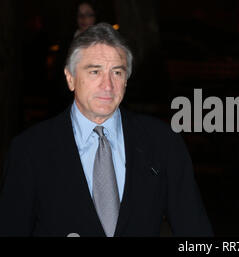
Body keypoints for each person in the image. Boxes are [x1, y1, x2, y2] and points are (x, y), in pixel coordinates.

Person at [0, 23, 213, 237]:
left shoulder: (162, 142)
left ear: (126, 80)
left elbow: (195, 231)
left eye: (117, 72)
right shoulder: (29, 151)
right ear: (70, 78)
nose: (108, 85)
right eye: (95, 72)